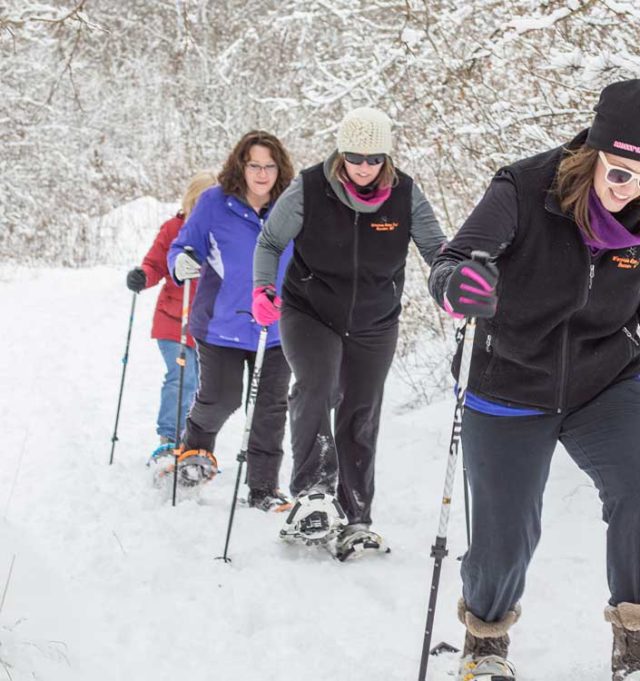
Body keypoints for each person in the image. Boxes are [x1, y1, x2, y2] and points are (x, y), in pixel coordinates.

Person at [428, 80, 640, 681]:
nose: (630, 190)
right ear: (593, 153)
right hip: (508, 379)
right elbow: (452, 261)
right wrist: (458, 287)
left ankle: (637, 644)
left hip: (601, 378)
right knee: (506, 531)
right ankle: (486, 642)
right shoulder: (523, 190)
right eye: (619, 173)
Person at [253, 107, 446, 558]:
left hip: (375, 319)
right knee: (317, 386)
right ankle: (314, 493)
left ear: (386, 157)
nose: (363, 167)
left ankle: (356, 514)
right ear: (341, 153)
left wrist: (454, 286)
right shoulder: (309, 188)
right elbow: (270, 242)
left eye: (373, 158)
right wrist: (263, 288)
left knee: (361, 411)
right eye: (354, 157)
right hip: (310, 310)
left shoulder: (405, 195)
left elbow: (438, 249)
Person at [166, 130, 296, 511]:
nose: (261, 173)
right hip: (222, 322)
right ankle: (195, 451)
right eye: (254, 164)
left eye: (269, 166)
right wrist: (181, 262)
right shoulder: (214, 203)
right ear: (240, 165)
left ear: (280, 168)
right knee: (221, 398)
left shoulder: (293, 205)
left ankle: (263, 488)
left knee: (271, 409)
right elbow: (183, 245)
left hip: (277, 328)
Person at [125, 171, 216, 458]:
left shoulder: (221, 233)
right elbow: (154, 264)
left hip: (208, 325)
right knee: (182, 376)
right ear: (191, 200)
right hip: (172, 321)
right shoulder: (172, 229)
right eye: (201, 200)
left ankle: (191, 438)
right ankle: (169, 435)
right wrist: (142, 276)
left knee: (203, 385)